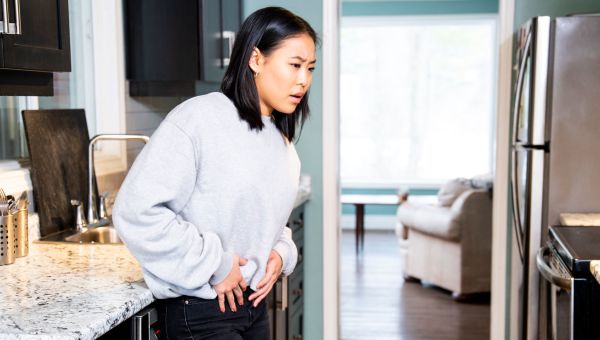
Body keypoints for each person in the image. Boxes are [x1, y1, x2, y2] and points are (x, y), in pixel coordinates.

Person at [112, 6, 317, 340]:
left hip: (253, 307)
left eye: (310, 68)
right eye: (294, 65)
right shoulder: (199, 118)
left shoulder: (282, 143)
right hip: (202, 310)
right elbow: (135, 212)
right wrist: (216, 265)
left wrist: (282, 253)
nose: (303, 80)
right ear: (256, 59)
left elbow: (270, 225)